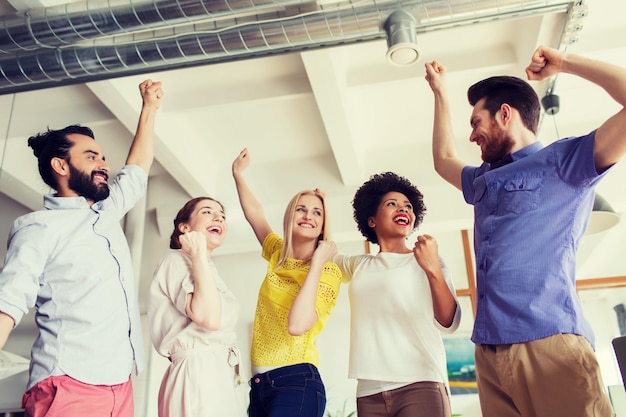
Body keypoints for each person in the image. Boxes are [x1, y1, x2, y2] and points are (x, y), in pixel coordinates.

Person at [425, 45, 626, 416]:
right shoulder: (482, 179)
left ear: (505, 114)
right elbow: (442, 160)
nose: (472, 137)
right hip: (489, 352)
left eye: (475, 123)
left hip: (547, 344)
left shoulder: (566, 162)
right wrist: (440, 93)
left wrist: (565, 64)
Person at [0, 79, 163, 417]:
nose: (104, 163)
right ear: (60, 166)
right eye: (91, 157)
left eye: (103, 157)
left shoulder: (105, 214)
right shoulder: (37, 228)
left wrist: (149, 109)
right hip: (68, 383)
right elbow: (8, 302)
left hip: (120, 384)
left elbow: (136, 170)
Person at [333, 171, 461, 417]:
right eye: (392, 204)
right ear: (372, 220)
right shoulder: (359, 265)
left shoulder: (427, 259)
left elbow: (448, 322)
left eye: (408, 206)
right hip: (368, 391)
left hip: (420, 383)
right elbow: (323, 253)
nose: (403, 209)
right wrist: (322, 208)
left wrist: (432, 268)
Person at [232, 147, 342, 417]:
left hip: (297, 383)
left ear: (323, 223)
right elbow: (255, 215)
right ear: (290, 216)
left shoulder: (327, 273)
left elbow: (297, 325)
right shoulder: (277, 254)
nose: (308, 216)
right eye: (301, 209)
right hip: (259, 387)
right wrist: (237, 174)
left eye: (317, 212)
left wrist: (316, 262)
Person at [148, 197, 244, 417]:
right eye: (207, 212)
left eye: (222, 215)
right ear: (184, 227)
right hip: (196, 372)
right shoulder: (175, 260)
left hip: (219, 374)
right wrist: (198, 253)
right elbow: (209, 318)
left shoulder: (207, 268)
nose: (218, 217)